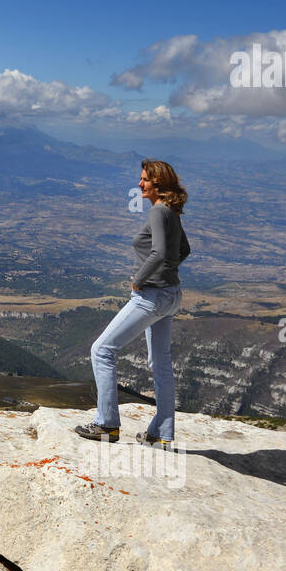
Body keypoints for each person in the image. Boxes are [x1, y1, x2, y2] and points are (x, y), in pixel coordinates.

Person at [74, 159, 191, 449]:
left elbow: (161, 252)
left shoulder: (158, 211)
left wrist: (139, 279)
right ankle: (161, 433)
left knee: (101, 350)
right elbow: (184, 250)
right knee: (160, 362)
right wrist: (167, 274)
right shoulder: (171, 212)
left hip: (151, 296)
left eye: (144, 180)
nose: (139, 184)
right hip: (171, 295)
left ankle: (106, 425)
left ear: (158, 184)